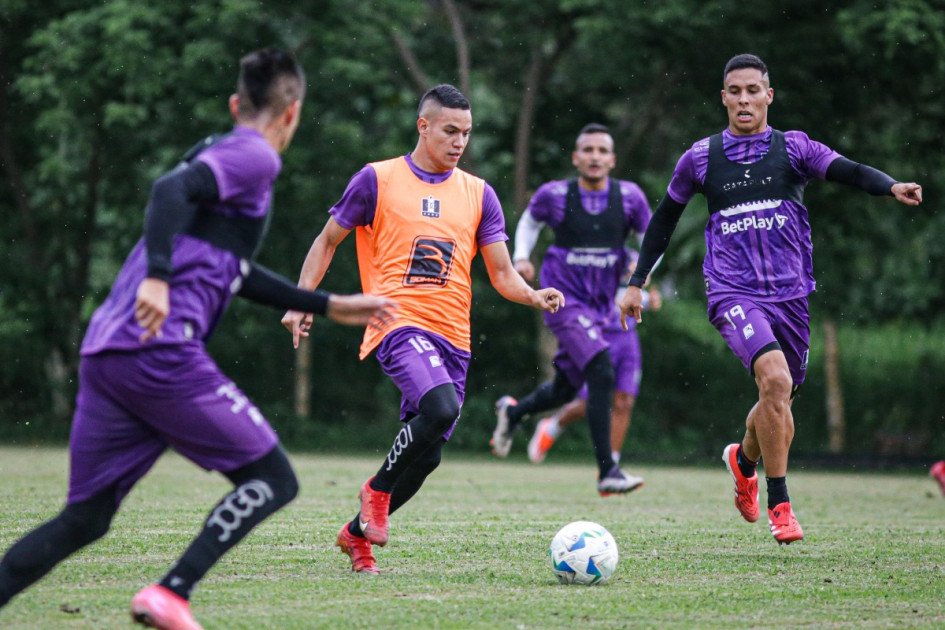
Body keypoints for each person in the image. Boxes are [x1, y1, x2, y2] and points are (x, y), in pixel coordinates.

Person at [0, 48, 397, 630]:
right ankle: (172, 592)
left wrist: (325, 304)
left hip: (109, 353)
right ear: (292, 112)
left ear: (237, 103)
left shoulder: (219, 155)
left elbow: (233, 270)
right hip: (159, 351)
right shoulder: (255, 155)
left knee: (85, 519)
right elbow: (168, 190)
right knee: (274, 479)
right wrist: (158, 277)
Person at [618, 53, 922, 545]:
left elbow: (847, 170)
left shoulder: (794, 148)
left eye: (753, 90)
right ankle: (780, 505)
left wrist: (891, 186)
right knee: (775, 380)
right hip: (732, 291)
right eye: (735, 91)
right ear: (723, 98)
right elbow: (664, 220)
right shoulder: (700, 158)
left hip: (791, 295)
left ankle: (743, 461)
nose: (744, 100)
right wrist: (637, 281)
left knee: (777, 397)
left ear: (768, 96)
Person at [281, 84, 564, 575]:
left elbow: (501, 273)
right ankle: (375, 492)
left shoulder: (479, 194)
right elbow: (327, 241)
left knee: (427, 457)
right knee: (441, 407)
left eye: (466, 133)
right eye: (450, 131)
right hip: (397, 323)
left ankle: (356, 536)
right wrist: (301, 300)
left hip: (454, 336)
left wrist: (533, 295)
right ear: (423, 126)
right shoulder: (377, 179)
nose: (460, 142)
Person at [491, 123, 653, 496]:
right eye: (588, 150)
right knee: (601, 368)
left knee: (566, 388)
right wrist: (520, 257)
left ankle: (512, 413)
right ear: (576, 158)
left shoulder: (630, 198)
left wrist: (641, 273)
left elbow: (652, 241)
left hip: (601, 305)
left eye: (602, 151)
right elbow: (530, 221)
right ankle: (607, 470)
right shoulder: (555, 194)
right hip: (561, 298)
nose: (595, 156)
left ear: (612, 159)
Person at [528, 258, 662, 466]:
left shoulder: (635, 254)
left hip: (627, 338)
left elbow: (631, 292)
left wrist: (649, 301)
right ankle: (552, 427)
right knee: (589, 402)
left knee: (624, 402)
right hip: (600, 334)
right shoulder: (598, 254)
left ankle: (611, 464)